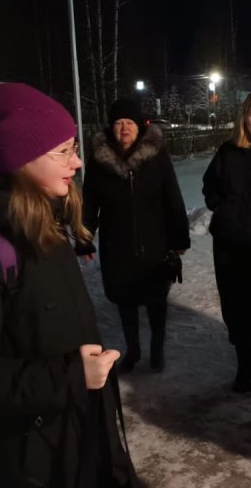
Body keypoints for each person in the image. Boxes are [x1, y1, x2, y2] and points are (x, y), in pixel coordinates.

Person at [0, 82, 140, 488]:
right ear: (18, 159)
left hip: (74, 442)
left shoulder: (44, 224)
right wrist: (72, 377)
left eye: (74, 149)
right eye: (63, 152)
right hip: (28, 466)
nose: (76, 163)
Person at [79, 98, 190, 374]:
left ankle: (156, 350)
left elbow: (173, 199)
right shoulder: (99, 161)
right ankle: (134, 350)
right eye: (118, 123)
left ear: (139, 127)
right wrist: (84, 237)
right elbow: (90, 202)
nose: (124, 128)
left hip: (155, 242)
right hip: (118, 245)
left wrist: (179, 239)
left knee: (156, 301)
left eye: (129, 123)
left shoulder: (157, 156)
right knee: (125, 302)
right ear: (111, 128)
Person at [202, 91, 251, 393]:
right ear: (245, 117)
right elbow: (210, 184)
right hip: (227, 243)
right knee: (232, 309)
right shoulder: (229, 150)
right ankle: (246, 362)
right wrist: (220, 206)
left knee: (249, 309)